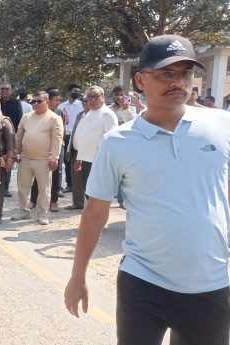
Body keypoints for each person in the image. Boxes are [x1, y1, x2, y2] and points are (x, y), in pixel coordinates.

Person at [64, 34, 230, 345]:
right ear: (140, 81)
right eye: (166, 73)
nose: (178, 81)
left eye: (185, 73)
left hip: (211, 285)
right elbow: (95, 213)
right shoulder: (118, 142)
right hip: (143, 284)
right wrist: (78, 276)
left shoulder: (222, 125)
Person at [12, 91, 63, 225]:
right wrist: (16, 151)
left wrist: (54, 158)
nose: (35, 103)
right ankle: (23, 211)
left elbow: (57, 140)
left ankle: (43, 213)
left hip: (44, 159)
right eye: (33, 101)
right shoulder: (26, 117)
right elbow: (19, 135)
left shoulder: (54, 118)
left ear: (47, 102)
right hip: (26, 158)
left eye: (39, 101)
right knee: (22, 186)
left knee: (44, 189)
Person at [71, 86, 118, 209]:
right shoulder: (90, 113)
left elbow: (112, 140)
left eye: (96, 97)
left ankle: (98, 217)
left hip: (99, 161)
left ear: (103, 98)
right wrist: (79, 158)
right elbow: (83, 136)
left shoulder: (107, 114)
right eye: (89, 97)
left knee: (98, 195)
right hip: (86, 160)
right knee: (89, 192)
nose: (92, 100)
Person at [29, 90, 64, 212]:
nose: (58, 103)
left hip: (54, 151)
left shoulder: (59, 113)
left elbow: (60, 134)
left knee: (55, 176)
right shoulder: (36, 113)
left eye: (59, 100)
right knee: (37, 177)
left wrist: (56, 153)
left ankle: (53, 201)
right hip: (39, 152)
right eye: (56, 100)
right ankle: (33, 200)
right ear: (48, 100)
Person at [64, 98, 90, 210]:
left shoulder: (96, 116)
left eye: (86, 101)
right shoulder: (80, 115)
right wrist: (69, 149)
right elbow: (74, 132)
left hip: (89, 152)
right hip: (76, 151)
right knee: (76, 178)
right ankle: (78, 203)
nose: (84, 103)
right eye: (83, 101)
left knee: (89, 179)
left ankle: (92, 204)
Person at [0, 82, 23, 197]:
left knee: (8, 160)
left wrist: (17, 138)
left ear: (10, 91)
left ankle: (5, 188)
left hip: (11, 137)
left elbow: (20, 121)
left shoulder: (16, 103)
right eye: (2, 89)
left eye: (7, 89)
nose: (4, 91)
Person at [58, 83, 84, 193]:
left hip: (79, 136)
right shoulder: (62, 106)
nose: (77, 93)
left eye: (78, 92)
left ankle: (79, 185)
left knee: (79, 160)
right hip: (66, 136)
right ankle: (69, 185)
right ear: (69, 92)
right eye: (75, 91)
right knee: (67, 161)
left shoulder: (82, 105)